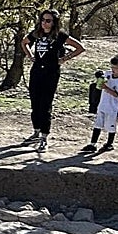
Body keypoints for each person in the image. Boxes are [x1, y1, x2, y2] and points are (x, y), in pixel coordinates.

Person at [21, 9, 84, 152]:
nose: (44, 23)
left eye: (48, 20)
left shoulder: (60, 35)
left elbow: (80, 48)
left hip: (51, 72)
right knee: (35, 103)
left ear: (54, 22)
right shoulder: (37, 33)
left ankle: (44, 137)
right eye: (42, 20)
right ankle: (36, 132)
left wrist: (64, 59)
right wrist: (30, 56)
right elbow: (24, 43)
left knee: (45, 105)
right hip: (36, 71)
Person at [82, 55, 118, 153]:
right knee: (97, 124)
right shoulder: (108, 73)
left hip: (113, 107)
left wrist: (106, 88)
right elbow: (101, 74)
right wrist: (98, 74)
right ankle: (93, 144)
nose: (112, 70)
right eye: (112, 67)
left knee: (111, 125)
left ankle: (109, 144)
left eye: (115, 68)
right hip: (103, 103)